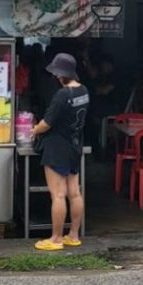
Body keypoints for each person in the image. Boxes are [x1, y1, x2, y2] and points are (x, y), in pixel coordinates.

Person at [31, 53, 89, 251]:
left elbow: (47, 123)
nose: (55, 77)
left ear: (61, 74)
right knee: (74, 192)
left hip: (57, 148)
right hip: (74, 146)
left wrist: (34, 130)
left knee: (57, 194)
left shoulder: (62, 95)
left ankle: (55, 238)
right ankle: (73, 235)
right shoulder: (84, 91)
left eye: (57, 73)